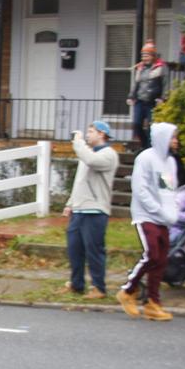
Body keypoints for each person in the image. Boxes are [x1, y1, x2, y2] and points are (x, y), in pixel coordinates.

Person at [116, 122, 179, 321]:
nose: (176, 141)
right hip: (146, 215)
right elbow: (140, 189)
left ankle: (153, 303)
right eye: (173, 137)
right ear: (163, 138)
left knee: (161, 259)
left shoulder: (171, 162)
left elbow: (169, 191)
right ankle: (127, 290)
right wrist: (157, 210)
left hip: (164, 218)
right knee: (151, 254)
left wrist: (172, 212)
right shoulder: (145, 158)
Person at [61, 120, 119, 299]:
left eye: (91, 131)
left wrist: (78, 143)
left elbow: (92, 161)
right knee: (74, 249)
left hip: (95, 210)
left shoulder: (109, 155)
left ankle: (98, 287)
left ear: (102, 134)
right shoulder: (87, 153)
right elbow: (79, 181)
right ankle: (76, 284)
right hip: (79, 209)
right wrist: (70, 203)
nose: (87, 134)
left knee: (94, 250)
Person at [126, 41, 166, 151]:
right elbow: (136, 83)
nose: (145, 58)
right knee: (137, 124)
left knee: (151, 126)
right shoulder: (140, 68)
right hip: (139, 100)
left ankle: (149, 147)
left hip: (152, 101)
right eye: (143, 55)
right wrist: (131, 96)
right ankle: (144, 144)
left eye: (147, 55)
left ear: (153, 56)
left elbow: (164, 84)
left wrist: (162, 98)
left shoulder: (160, 67)